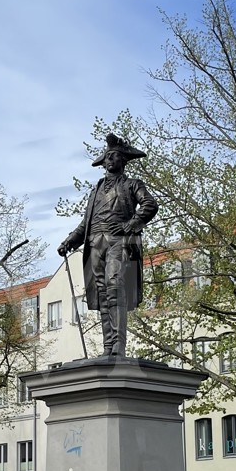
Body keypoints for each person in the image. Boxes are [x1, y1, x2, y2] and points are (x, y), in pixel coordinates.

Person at [57, 133, 160, 357]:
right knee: (103, 294)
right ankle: (107, 347)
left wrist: (129, 226)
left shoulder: (132, 185)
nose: (110, 160)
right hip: (95, 243)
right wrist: (69, 242)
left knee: (115, 288)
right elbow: (85, 224)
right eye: (107, 157)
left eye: (114, 156)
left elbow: (150, 205)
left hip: (118, 242)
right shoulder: (95, 191)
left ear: (123, 160)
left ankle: (118, 346)